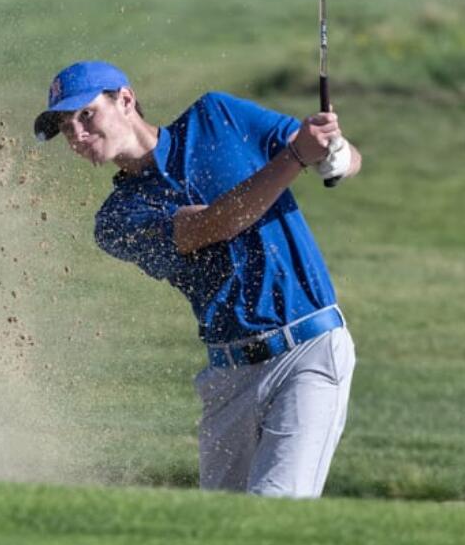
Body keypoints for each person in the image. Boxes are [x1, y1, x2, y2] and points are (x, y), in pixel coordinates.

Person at [33, 61, 361, 498]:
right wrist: (298, 156)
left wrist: (334, 154)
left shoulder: (218, 115)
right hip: (228, 378)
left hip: (308, 353)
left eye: (85, 115)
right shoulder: (117, 220)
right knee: (220, 530)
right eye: (64, 126)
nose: (75, 134)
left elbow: (344, 155)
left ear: (125, 100)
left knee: (276, 509)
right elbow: (211, 226)